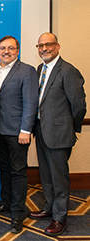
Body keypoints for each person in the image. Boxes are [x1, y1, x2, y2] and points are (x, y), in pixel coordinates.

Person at [28, 33, 86, 237]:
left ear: (58, 46)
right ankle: (49, 207)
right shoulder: (39, 69)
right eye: (40, 45)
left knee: (59, 178)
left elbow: (79, 105)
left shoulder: (68, 71)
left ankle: (60, 218)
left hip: (59, 134)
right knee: (46, 174)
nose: (44, 48)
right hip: (41, 132)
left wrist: (71, 128)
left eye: (48, 44)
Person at [0, 36, 38, 233]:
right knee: (4, 169)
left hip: (17, 132)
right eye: (2, 48)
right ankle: (6, 203)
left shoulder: (27, 71)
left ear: (18, 50)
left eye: (10, 48)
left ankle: (18, 213)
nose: (6, 51)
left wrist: (26, 130)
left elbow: (31, 102)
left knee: (17, 172)